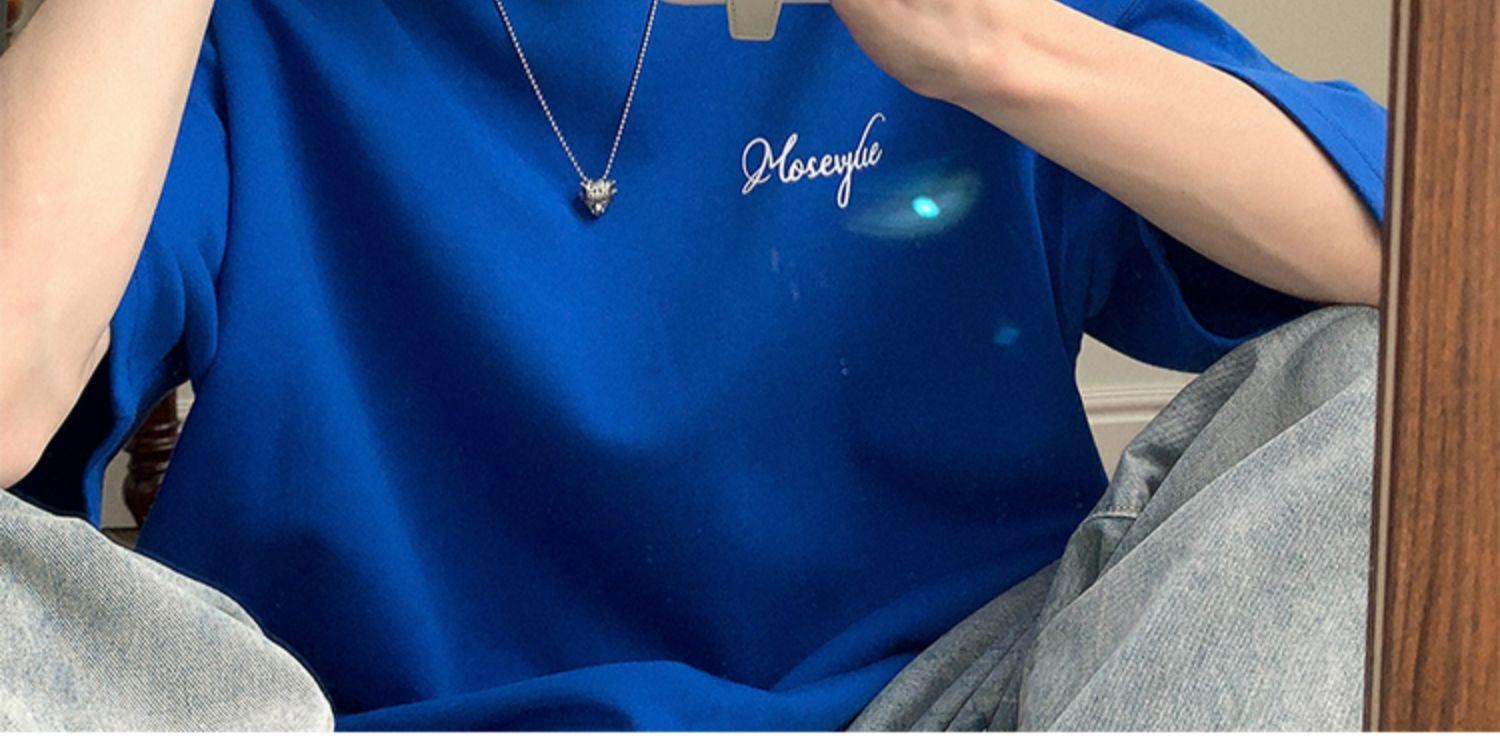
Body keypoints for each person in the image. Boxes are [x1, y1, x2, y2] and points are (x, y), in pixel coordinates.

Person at [0, 0, 1385, 731]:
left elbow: (1440, 275)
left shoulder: (988, 23)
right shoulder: (231, 33)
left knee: (1392, 394)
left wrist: (992, 43)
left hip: (957, 715)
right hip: (358, 719)